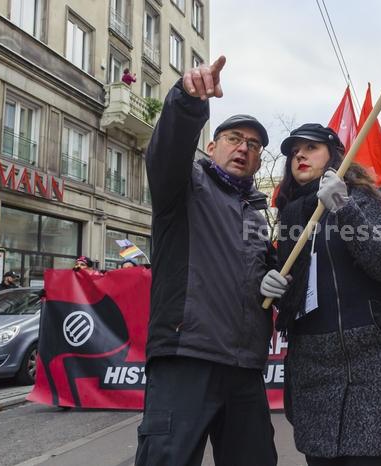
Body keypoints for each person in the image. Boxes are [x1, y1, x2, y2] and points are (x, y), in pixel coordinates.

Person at [134, 56, 278, 465]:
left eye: (253, 145)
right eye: (234, 138)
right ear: (211, 147)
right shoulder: (182, 185)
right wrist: (187, 101)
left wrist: (271, 278)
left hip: (244, 368)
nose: (244, 148)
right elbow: (168, 148)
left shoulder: (256, 213)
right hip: (186, 359)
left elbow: (253, 273)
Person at [260, 123, 381, 465]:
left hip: (374, 359)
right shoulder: (289, 215)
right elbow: (296, 290)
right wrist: (275, 284)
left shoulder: (367, 199)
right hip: (314, 363)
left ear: (334, 156)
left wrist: (345, 208)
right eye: (293, 151)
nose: (298, 155)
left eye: (310, 147)